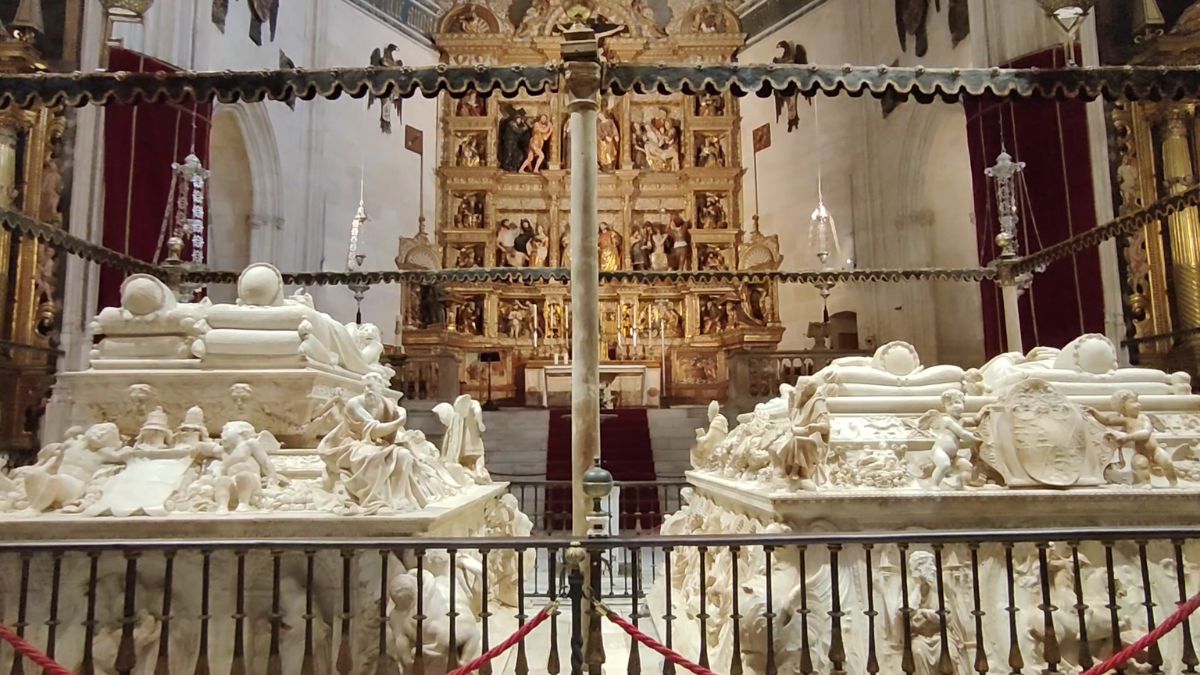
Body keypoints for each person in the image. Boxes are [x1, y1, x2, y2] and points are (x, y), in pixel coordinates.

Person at [1089, 390, 1178, 486]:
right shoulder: (1125, 421)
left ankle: (1173, 483)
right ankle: (1145, 483)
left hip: (1155, 450)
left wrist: (1128, 437)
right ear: (1123, 407)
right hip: (1140, 452)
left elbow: (1146, 433)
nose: (1138, 404)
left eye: (1137, 401)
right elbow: (1107, 421)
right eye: (1133, 402)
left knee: (1166, 462)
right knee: (1139, 464)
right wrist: (1094, 412)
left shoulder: (1143, 418)